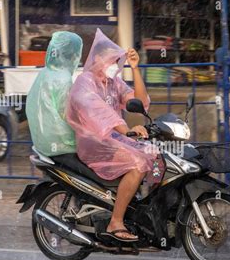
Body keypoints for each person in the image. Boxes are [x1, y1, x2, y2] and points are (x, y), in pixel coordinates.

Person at [67, 28, 161, 243]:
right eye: (112, 60)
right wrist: (127, 131)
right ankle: (115, 222)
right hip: (94, 143)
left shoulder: (113, 82)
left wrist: (136, 69)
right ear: (97, 58)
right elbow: (98, 112)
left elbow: (139, 101)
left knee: (155, 154)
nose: (114, 65)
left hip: (114, 138)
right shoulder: (85, 82)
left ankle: (143, 210)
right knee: (138, 163)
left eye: (117, 61)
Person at [25, 31, 83, 157]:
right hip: (61, 144)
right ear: (73, 55)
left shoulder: (44, 73)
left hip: (42, 142)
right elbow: (67, 113)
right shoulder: (63, 78)